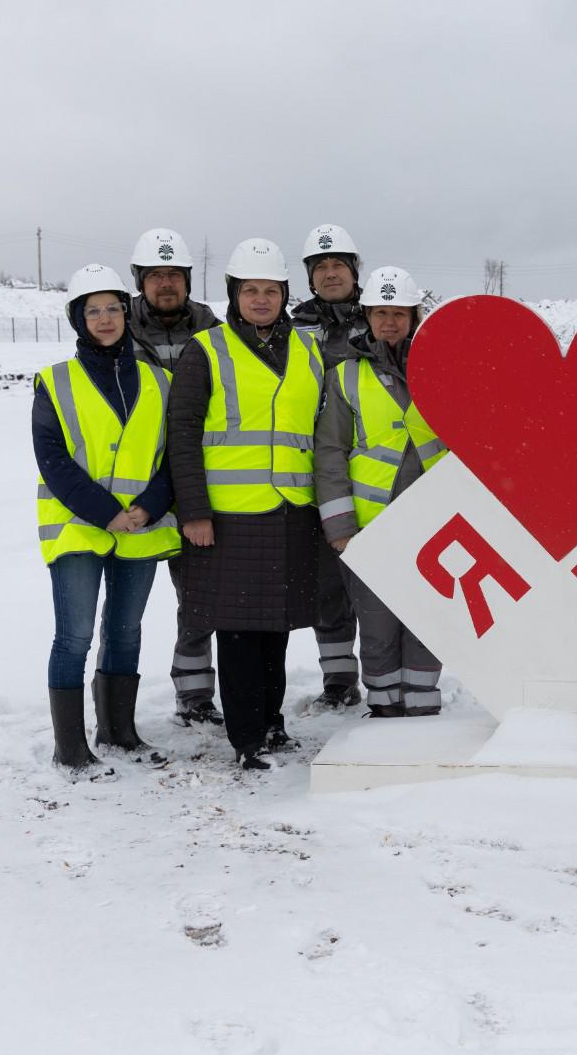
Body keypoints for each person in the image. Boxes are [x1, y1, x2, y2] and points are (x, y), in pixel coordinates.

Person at [167, 239, 325, 770]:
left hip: (290, 511)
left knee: (275, 628)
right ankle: (245, 736)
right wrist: (194, 511)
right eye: (250, 290)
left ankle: (271, 721)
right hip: (228, 517)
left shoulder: (309, 349)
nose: (261, 299)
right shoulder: (205, 349)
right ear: (234, 295)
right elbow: (182, 434)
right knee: (236, 630)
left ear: (285, 294)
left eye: (271, 290)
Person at [33, 264, 178, 775]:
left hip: (140, 526)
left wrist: (146, 508)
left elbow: (173, 457)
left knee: (125, 632)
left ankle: (119, 731)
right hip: (78, 527)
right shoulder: (55, 382)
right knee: (73, 636)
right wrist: (106, 513)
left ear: (126, 312)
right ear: (78, 318)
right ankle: (70, 748)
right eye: (92, 310)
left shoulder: (160, 381)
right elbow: (51, 459)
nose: (104, 318)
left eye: (112, 308)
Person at [314, 266, 450, 716]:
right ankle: (385, 708)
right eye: (379, 313)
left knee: (428, 619)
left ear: (414, 317)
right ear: (366, 318)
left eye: (398, 313)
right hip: (369, 527)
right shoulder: (346, 375)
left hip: (434, 524)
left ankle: (423, 706)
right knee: (376, 625)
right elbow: (330, 451)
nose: (388, 322)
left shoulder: (444, 370)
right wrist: (339, 525)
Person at [124, 227, 224, 727]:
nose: (166, 284)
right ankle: (125, 708)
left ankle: (196, 696)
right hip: (139, 492)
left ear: (187, 280)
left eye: (174, 275)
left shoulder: (213, 333)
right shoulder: (120, 332)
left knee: (202, 596)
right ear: (140, 280)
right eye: (156, 275)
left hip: (200, 485)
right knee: (132, 610)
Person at [292, 223, 367, 711]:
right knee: (326, 584)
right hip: (313, 474)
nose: (330, 273)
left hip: (373, 473)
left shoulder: (379, 317)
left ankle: (394, 670)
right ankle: (339, 680)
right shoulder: (291, 325)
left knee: (381, 582)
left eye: (339, 264)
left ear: (354, 271)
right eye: (321, 267)